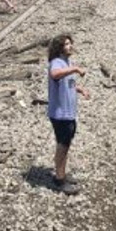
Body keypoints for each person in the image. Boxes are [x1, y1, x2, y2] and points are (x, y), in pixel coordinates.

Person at [46, 34, 90, 195]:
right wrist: (75, 69)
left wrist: (80, 89)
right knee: (62, 146)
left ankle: (62, 174)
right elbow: (55, 74)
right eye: (66, 44)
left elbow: (67, 82)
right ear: (59, 48)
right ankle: (59, 180)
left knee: (66, 145)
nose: (70, 46)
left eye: (70, 43)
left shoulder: (67, 62)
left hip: (69, 113)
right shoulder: (56, 62)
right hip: (60, 114)